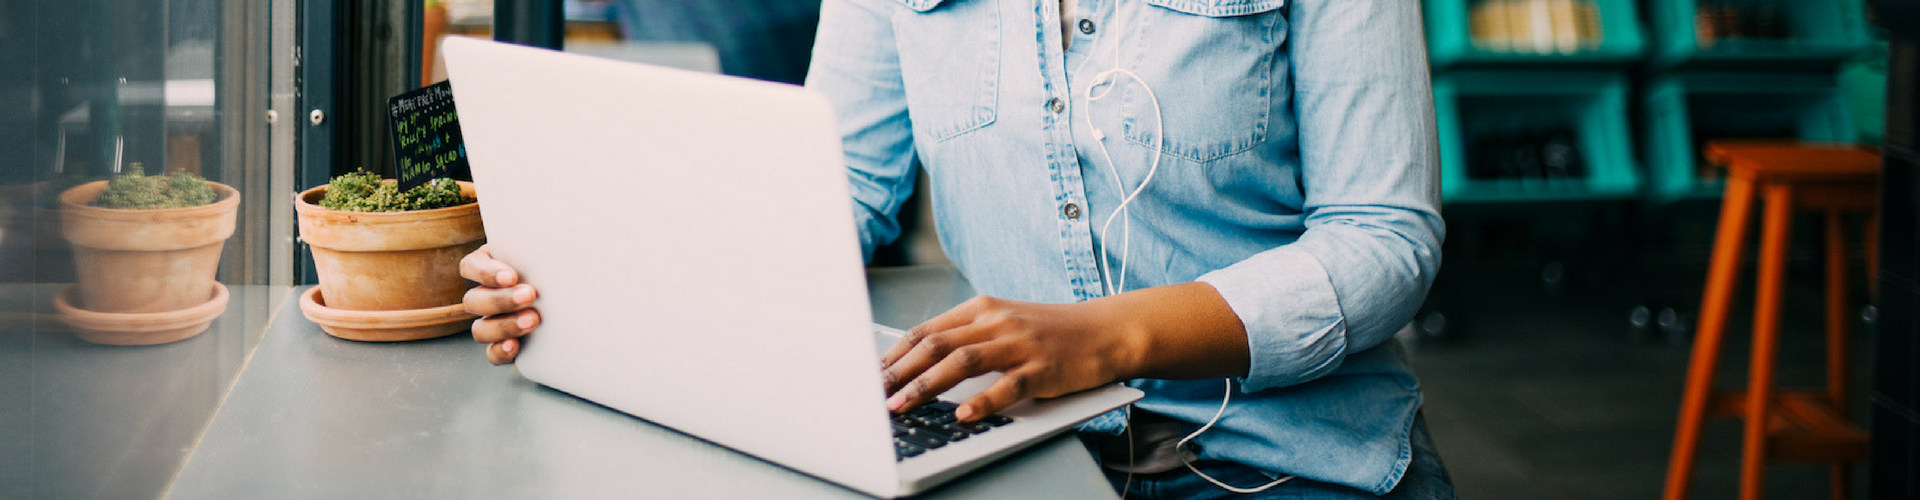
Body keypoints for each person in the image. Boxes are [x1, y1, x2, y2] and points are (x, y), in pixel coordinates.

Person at [461, 0, 1454, 498]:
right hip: (1026, 455)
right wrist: (597, 286)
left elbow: (1385, 240)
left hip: (1293, 464)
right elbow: (829, 187)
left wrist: (1105, 338)